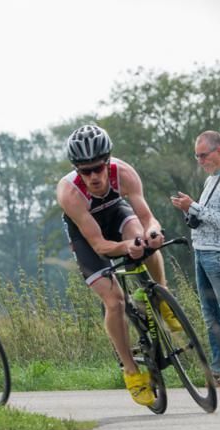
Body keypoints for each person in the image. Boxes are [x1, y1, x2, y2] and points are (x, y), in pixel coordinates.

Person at [56, 124, 181, 407]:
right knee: (115, 302)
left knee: (146, 241)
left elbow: (149, 218)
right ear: (76, 169)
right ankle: (131, 371)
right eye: (84, 171)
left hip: (116, 214)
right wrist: (126, 248)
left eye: (98, 168)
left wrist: (152, 234)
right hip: (88, 238)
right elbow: (100, 246)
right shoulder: (69, 193)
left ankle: (162, 297)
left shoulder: (124, 173)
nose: (93, 176)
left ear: (108, 161)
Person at [171, 131, 220, 386]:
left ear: (219, 151)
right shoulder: (212, 180)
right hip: (202, 251)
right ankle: (217, 370)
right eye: (197, 156)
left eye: (203, 155)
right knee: (210, 314)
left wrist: (193, 207)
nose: (200, 161)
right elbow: (206, 217)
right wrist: (190, 211)